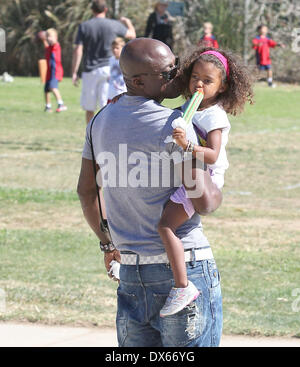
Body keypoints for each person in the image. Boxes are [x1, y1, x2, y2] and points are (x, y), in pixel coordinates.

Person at [77, 38, 223, 347]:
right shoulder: (176, 125)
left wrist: (107, 245)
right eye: (168, 72)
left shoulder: (99, 121)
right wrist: (217, 177)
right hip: (184, 269)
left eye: (177, 64)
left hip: (131, 273)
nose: (179, 75)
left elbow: (86, 192)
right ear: (139, 81)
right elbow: (204, 202)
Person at [158, 47, 254, 317]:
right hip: (192, 173)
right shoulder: (193, 106)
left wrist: (187, 145)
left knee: (166, 226)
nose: (199, 84)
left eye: (208, 81)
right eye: (195, 77)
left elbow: (211, 156)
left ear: (222, 87)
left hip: (206, 178)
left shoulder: (215, 115)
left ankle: (182, 286)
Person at [72, 0, 136, 124]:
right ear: (105, 9)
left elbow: (78, 50)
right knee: (105, 106)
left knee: (89, 108)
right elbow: (132, 35)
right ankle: (105, 135)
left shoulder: (84, 26)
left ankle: (91, 137)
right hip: (108, 70)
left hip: (90, 70)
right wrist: (128, 22)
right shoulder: (113, 24)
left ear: (92, 10)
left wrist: (74, 71)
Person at [40, 28, 67, 113]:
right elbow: (47, 47)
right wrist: (43, 39)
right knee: (46, 89)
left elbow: (53, 43)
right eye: (47, 36)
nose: (49, 38)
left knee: (53, 87)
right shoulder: (49, 48)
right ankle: (48, 106)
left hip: (55, 71)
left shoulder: (56, 46)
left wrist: (50, 38)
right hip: (49, 71)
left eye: (50, 36)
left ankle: (61, 104)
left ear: (56, 37)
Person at [107, 37, 127, 103]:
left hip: (122, 94)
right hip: (110, 94)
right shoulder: (111, 60)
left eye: (117, 48)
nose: (114, 50)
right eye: (113, 48)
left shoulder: (125, 61)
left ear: (122, 48)